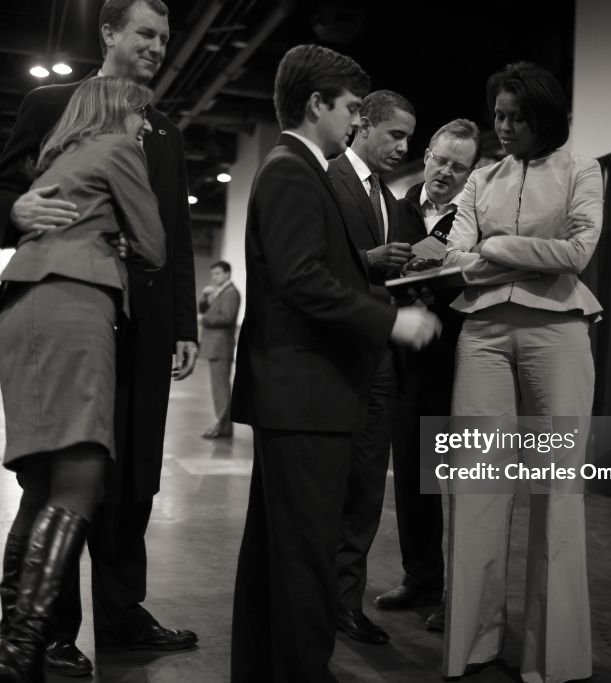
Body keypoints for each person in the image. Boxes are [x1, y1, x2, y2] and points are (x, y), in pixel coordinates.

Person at [0, 0, 198, 674]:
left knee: (132, 478)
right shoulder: (55, 106)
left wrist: (184, 323)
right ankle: (54, 631)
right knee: (71, 471)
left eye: (164, 37)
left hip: (143, 319)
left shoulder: (164, 130)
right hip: (79, 303)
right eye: (144, 33)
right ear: (108, 33)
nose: (156, 46)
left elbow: (176, 243)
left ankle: (123, 616)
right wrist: (13, 209)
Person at [229, 44, 440, 683]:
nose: (354, 121)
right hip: (305, 392)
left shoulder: (297, 166)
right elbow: (301, 280)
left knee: (279, 550)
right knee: (304, 555)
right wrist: (390, 318)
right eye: (350, 108)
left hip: (300, 392)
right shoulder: (294, 168)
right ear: (317, 103)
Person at [441, 61, 602, 682]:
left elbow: (579, 252)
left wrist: (495, 249)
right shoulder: (481, 176)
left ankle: (552, 657)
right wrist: (503, 258)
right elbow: (455, 259)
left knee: (556, 492)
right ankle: (471, 647)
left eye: (515, 117)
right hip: (480, 332)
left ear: (544, 118)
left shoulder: (581, 169)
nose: (502, 127)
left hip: (558, 331)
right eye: (498, 114)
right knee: (474, 487)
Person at [376, 119, 481, 631]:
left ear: (472, 171)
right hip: (408, 358)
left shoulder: (477, 214)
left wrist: (422, 273)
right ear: (429, 154)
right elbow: (388, 272)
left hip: (465, 355)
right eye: (440, 159)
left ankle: (463, 591)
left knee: (462, 480)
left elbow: (472, 270)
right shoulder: (396, 207)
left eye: (458, 166)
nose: (444, 171)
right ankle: (422, 577)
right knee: (414, 475)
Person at [328, 89, 416, 646]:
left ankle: (344, 603)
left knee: (365, 491)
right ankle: (313, 602)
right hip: (333, 356)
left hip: (380, 357)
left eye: (410, 137)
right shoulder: (326, 175)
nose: (405, 146)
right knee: (328, 489)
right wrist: (369, 261)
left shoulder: (390, 197)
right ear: (364, 126)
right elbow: (308, 259)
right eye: (397, 134)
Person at [198, 260, 240, 439]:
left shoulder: (231, 293)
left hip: (221, 346)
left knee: (221, 389)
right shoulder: (219, 292)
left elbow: (227, 317)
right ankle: (224, 425)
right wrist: (204, 298)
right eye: (213, 274)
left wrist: (203, 319)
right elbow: (207, 309)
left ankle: (222, 426)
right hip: (216, 345)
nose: (214, 278)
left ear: (227, 274)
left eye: (218, 274)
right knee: (218, 388)